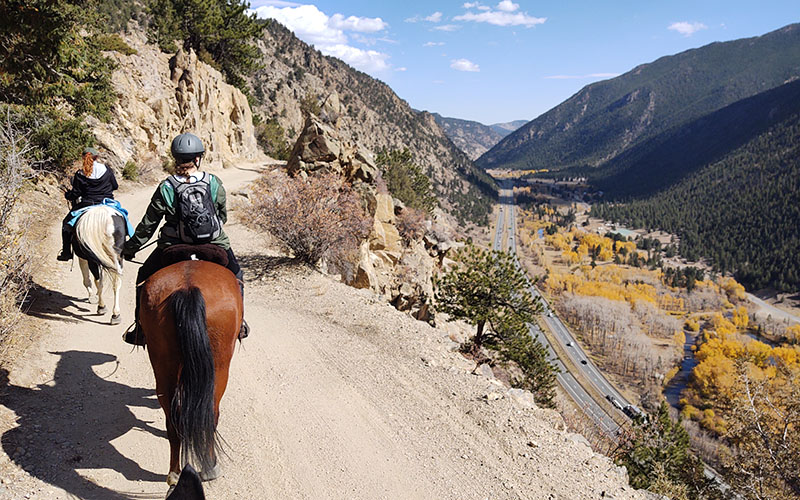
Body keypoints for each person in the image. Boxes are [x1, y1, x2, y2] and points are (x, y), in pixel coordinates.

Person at [121, 133, 248, 345]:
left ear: (176, 158)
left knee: (144, 276)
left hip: (174, 246)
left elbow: (149, 224)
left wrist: (130, 248)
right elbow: (221, 216)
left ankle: (140, 329)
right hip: (214, 244)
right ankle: (240, 323)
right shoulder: (213, 182)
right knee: (237, 274)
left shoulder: (166, 187)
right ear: (198, 158)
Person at [57, 147, 119, 261]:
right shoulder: (107, 170)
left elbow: (76, 193)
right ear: (97, 157)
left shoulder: (80, 173)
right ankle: (129, 244)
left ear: (83, 157)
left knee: (66, 224)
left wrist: (68, 195)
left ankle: (66, 252)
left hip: (87, 204)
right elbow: (115, 186)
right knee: (122, 217)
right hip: (107, 203)